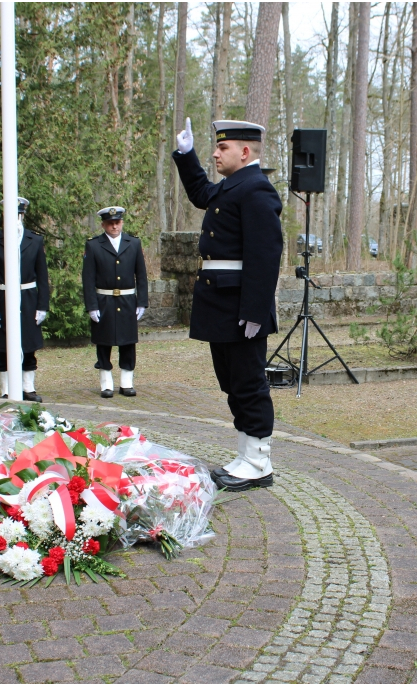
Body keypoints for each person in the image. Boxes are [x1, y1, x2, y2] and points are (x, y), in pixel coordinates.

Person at [172, 118, 284, 492]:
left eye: (223, 148)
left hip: (240, 305)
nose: (216, 153)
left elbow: (265, 256)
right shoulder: (234, 187)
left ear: (245, 151)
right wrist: (186, 156)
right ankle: (245, 455)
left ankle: (258, 462)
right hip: (221, 301)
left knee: (249, 383)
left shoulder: (257, 190)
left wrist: (254, 311)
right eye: (215, 147)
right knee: (232, 383)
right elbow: (202, 193)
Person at [0, 197, 50, 401]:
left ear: (22, 215)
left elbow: (42, 276)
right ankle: (6, 388)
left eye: (19, 215)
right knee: (5, 345)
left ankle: (28, 387)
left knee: (28, 344)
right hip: (3, 297)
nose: (15, 218)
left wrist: (42, 305)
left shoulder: (35, 240)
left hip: (28, 297)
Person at [81, 206, 148, 398]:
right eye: (110, 223)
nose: (114, 226)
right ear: (103, 224)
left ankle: (127, 382)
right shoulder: (93, 246)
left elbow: (141, 276)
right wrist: (92, 306)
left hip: (127, 300)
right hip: (104, 300)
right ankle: (106, 383)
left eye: (117, 222)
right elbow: (88, 279)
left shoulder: (133, 243)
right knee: (104, 341)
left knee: (128, 342)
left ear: (122, 223)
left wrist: (141, 302)